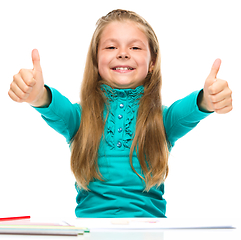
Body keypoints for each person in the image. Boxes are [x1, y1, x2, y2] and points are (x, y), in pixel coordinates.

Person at [8, 9, 233, 218]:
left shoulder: (162, 120)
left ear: (152, 62)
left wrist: (208, 98)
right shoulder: (80, 117)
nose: (123, 54)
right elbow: (54, 107)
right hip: (91, 231)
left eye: (135, 47)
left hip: (149, 232)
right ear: (96, 60)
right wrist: (36, 95)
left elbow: (190, 109)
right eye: (111, 47)